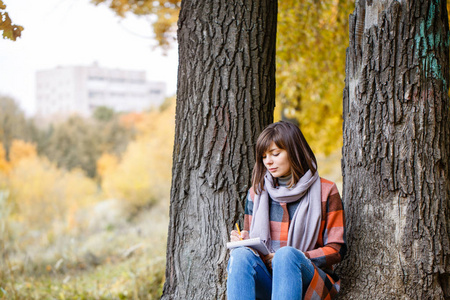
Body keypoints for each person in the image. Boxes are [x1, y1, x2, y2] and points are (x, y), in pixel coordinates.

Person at [227, 121, 347, 300]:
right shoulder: (256, 194)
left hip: (309, 280)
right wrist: (243, 240)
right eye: (264, 156)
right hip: (268, 279)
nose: (268, 161)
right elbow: (253, 248)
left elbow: (336, 249)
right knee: (240, 255)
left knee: (285, 255)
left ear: (294, 151)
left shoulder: (326, 191)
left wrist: (297, 257)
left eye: (275, 154)